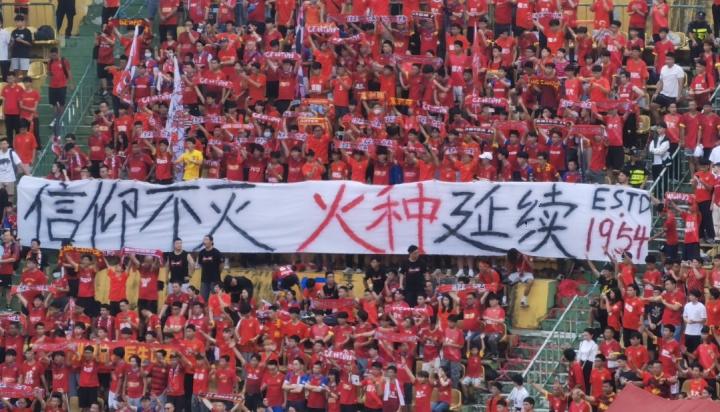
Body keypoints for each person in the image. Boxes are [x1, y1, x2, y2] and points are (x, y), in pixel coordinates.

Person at [197, 234, 222, 301]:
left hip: (215, 279)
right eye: (204, 240)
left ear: (211, 241)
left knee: (216, 298)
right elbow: (200, 264)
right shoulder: (201, 253)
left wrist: (217, 273)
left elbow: (221, 265)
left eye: (206, 239)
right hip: (204, 279)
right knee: (202, 299)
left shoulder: (217, 252)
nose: (204, 241)